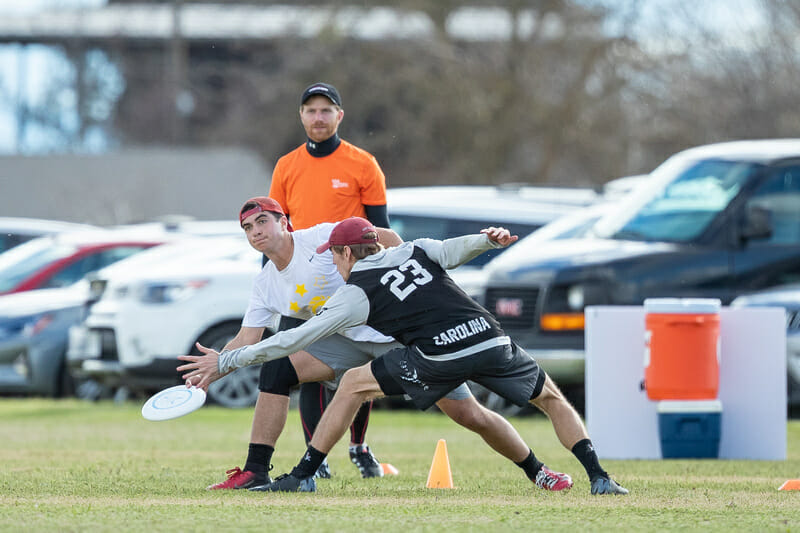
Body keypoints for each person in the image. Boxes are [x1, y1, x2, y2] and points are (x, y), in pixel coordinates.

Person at [179, 217, 628, 496]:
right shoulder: (414, 249)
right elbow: (458, 249)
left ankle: (304, 472)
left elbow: (292, 338)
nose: (331, 263)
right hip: (487, 334)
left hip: (430, 351)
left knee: (356, 385)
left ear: (343, 251)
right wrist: (489, 239)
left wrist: (226, 362)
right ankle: (593, 475)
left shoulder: (355, 291)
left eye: (334, 256)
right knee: (546, 399)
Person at [204, 197, 405, 490]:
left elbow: (387, 237)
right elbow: (246, 339)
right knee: (276, 370)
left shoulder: (319, 237)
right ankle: (255, 470)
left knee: (466, 410)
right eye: (248, 228)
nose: (255, 231)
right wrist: (211, 371)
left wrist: (407, 274)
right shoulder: (265, 283)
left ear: (283, 222)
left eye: (262, 222)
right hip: (348, 346)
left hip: (395, 337)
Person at [269, 81, 391, 480]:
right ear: (301, 116)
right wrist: (272, 281)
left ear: (340, 115)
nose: (318, 117)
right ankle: (315, 457)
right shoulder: (287, 165)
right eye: (311, 110)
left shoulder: (362, 163)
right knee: (304, 367)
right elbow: (274, 231)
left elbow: (381, 229)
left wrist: (380, 278)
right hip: (304, 283)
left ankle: (358, 446)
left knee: (360, 365)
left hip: (347, 277)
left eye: (326, 110)